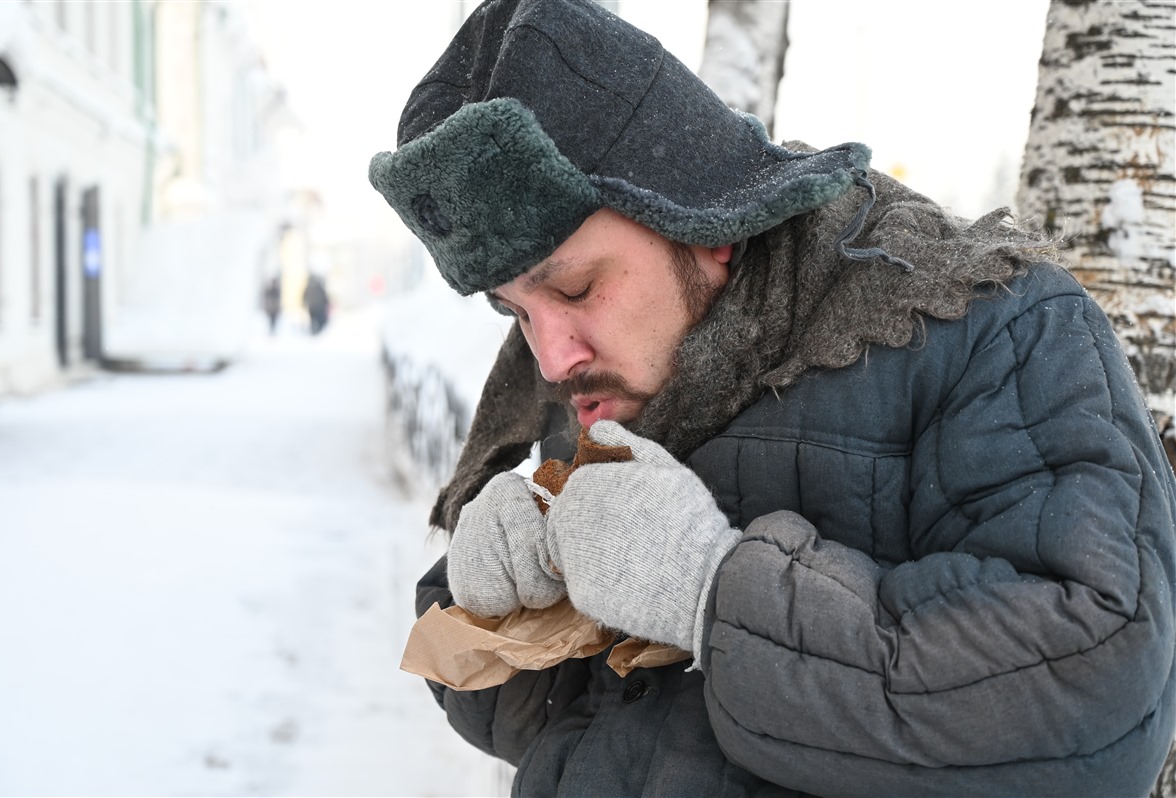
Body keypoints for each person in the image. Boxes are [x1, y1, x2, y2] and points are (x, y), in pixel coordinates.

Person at [368, 1, 1176, 795]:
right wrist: (493, 614)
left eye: (575, 287)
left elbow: (1099, 690)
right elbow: (557, 727)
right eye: (514, 312)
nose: (549, 358)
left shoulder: (990, 329)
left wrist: (715, 595)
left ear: (701, 219)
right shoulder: (602, 374)